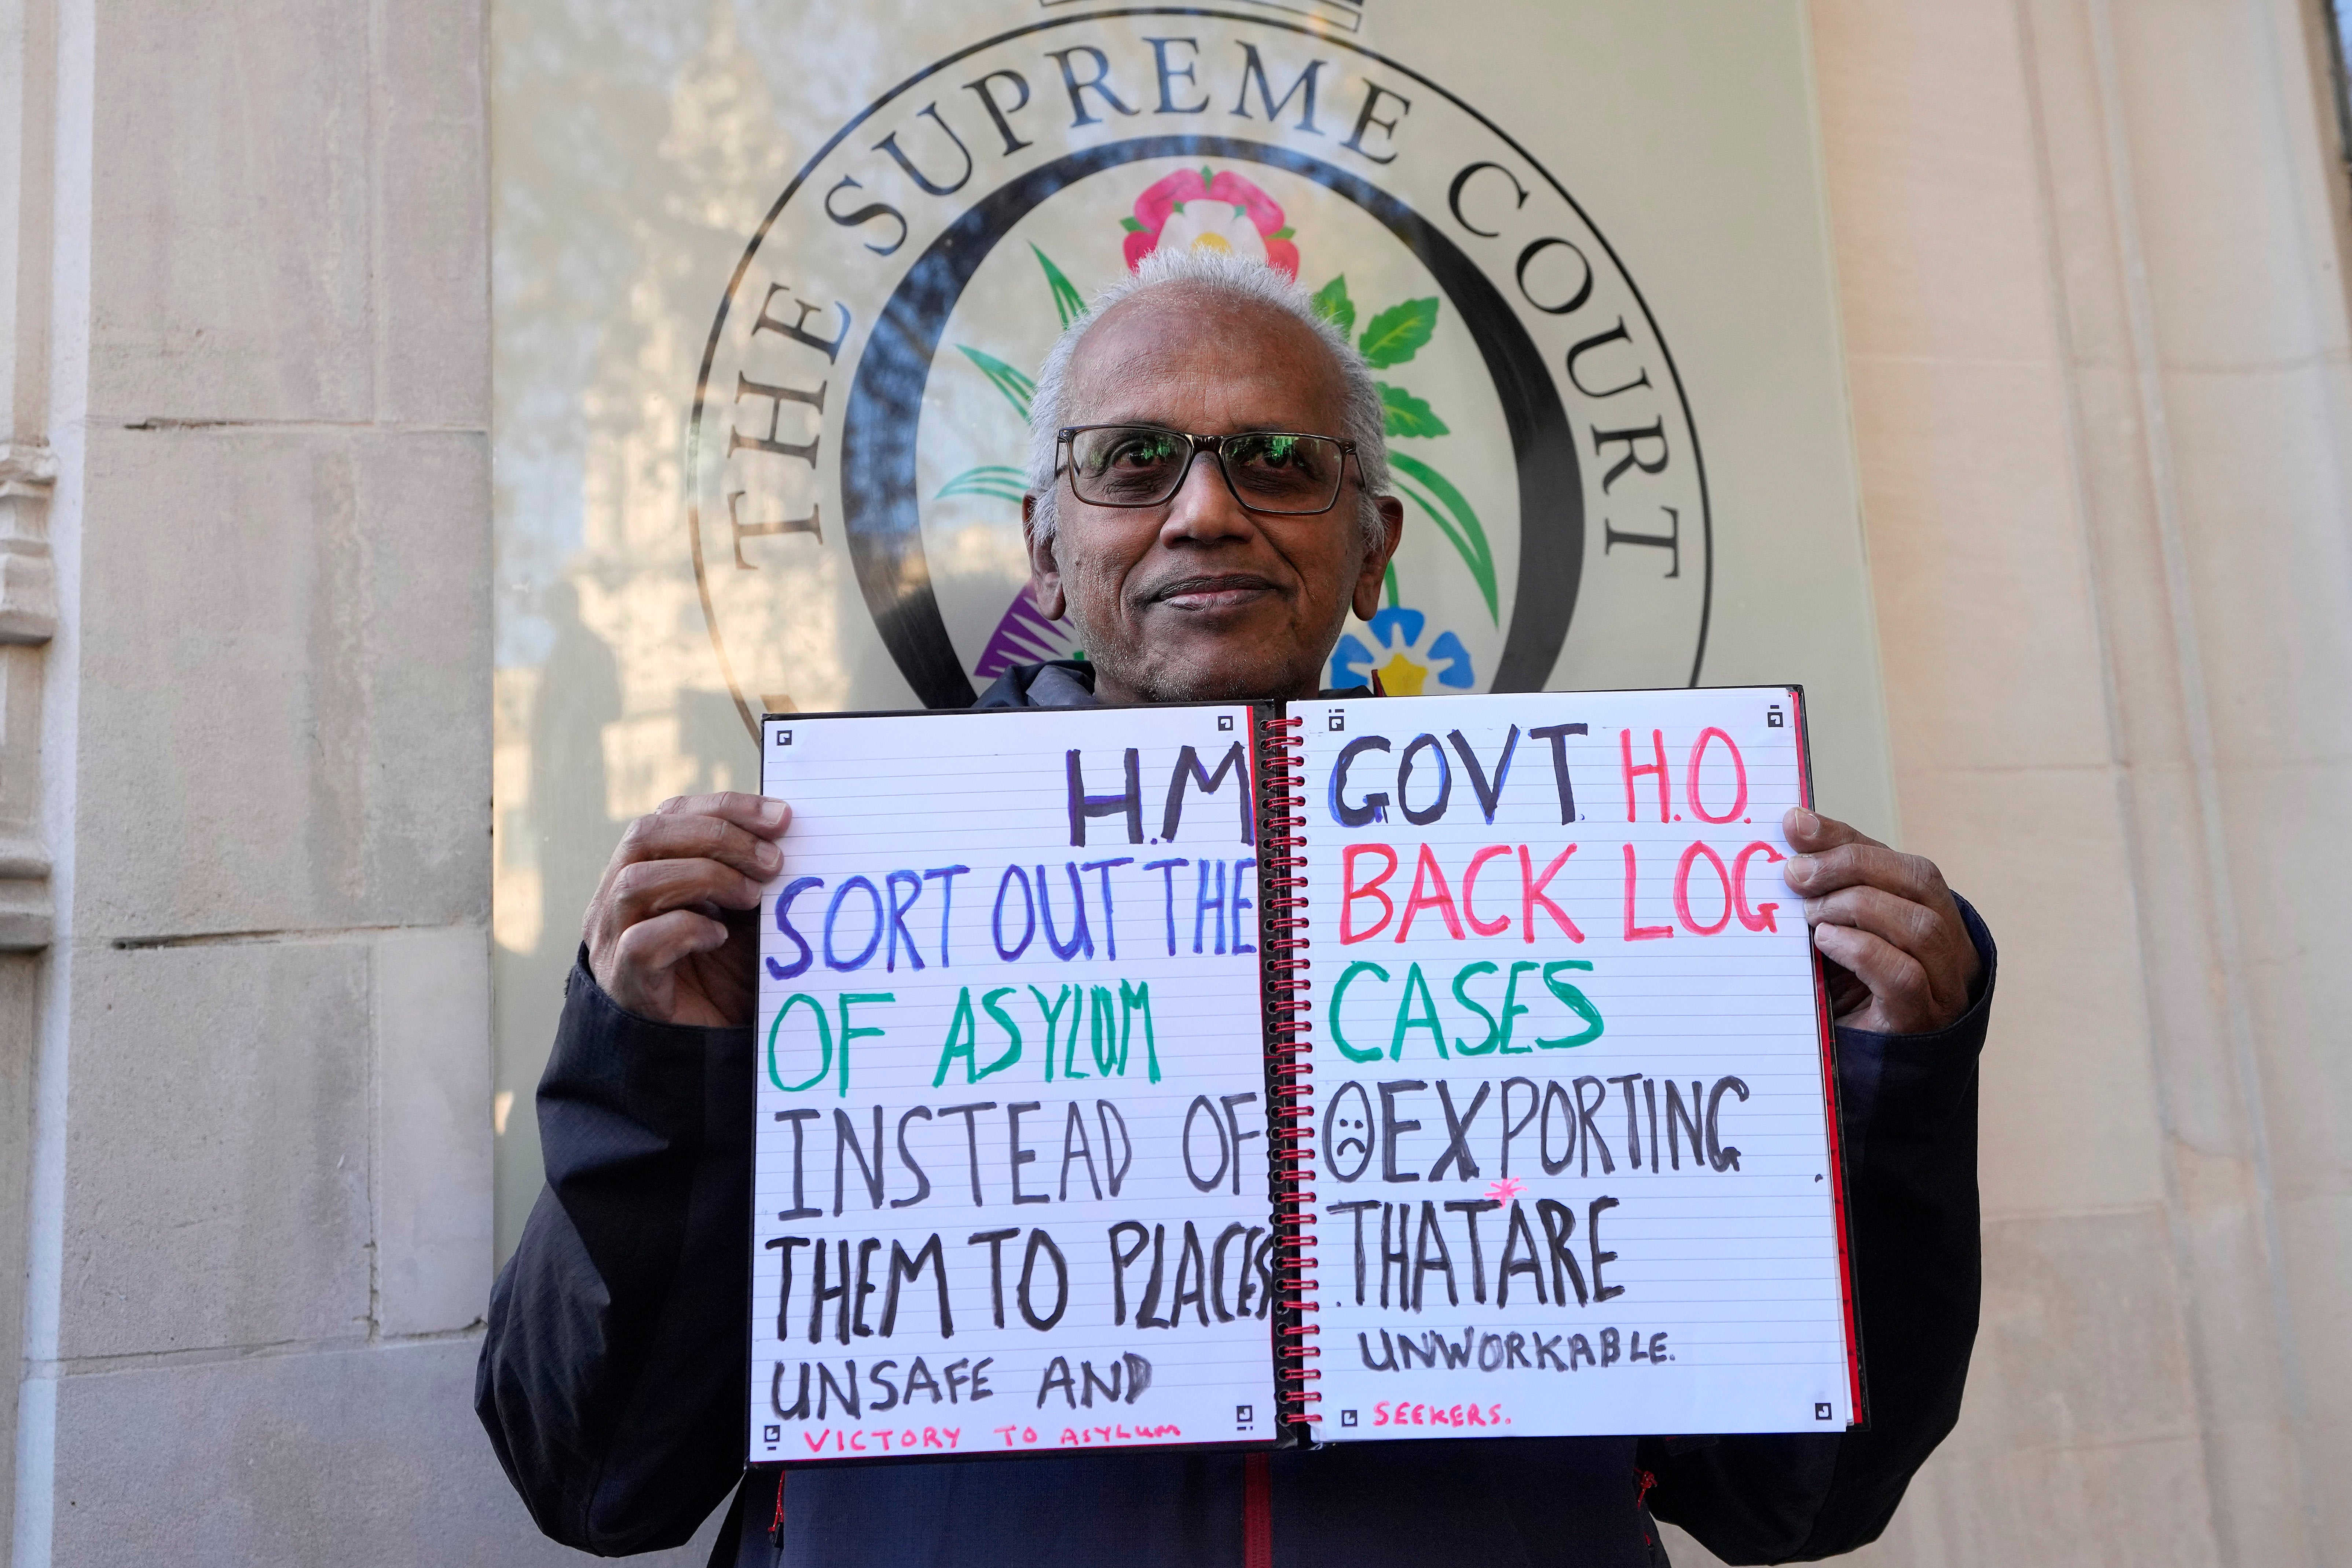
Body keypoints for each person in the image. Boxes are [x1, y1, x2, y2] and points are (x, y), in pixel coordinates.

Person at [478, 250, 1996, 1567]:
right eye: (1132, 461)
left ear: (1372, 543)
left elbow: (1788, 1494)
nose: (1205, 509)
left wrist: (1886, 1078)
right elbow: (595, 1477)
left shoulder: (1625, 899)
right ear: (1042, 549)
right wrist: (653, 1065)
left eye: (1276, 457)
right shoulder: (796, 918)